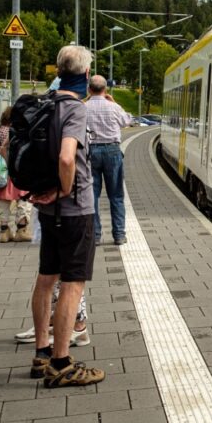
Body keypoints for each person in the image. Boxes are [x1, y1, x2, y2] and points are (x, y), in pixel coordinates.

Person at [29, 44, 103, 388]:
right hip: (74, 211)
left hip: (47, 210)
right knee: (72, 284)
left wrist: (48, 194)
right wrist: (64, 189)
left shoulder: (45, 102)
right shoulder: (75, 108)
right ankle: (61, 363)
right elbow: (66, 158)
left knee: (46, 279)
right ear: (86, 75)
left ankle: (41, 354)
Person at [85, 74, 134, 246]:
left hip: (90, 152)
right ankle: (119, 235)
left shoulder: (83, 107)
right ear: (105, 89)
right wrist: (114, 102)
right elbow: (128, 121)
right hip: (112, 151)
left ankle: (96, 236)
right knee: (116, 195)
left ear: (89, 89)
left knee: (92, 196)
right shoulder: (113, 107)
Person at [0, 107, 33, 242]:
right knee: (23, 200)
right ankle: (21, 230)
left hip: (0, 173)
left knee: (2, 203)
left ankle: (5, 231)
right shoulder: (17, 132)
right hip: (17, 171)